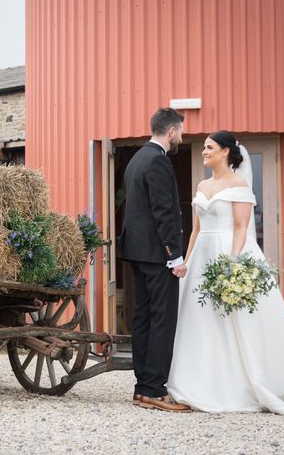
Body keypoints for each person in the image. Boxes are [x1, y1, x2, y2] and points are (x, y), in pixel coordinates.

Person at [167, 130, 284, 415]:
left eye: (209, 147)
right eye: (204, 148)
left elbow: (242, 228)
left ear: (225, 152)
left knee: (236, 321)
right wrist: (187, 260)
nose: (204, 152)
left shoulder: (239, 183)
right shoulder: (202, 185)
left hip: (228, 253)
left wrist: (232, 266)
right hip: (201, 256)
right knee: (200, 319)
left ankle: (248, 382)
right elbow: (196, 229)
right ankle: (199, 381)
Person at [119, 107, 191, 412]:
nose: (182, 137)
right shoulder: (159, 161)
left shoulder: (137, 159)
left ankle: (142, 388)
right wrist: (174, 256)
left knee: (144, 317)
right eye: (181, 131)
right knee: (163, 319)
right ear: (171, 132)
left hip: (136, 252)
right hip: (156, 255)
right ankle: (156, 390)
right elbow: (163, 213)